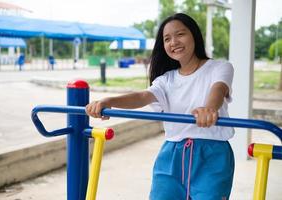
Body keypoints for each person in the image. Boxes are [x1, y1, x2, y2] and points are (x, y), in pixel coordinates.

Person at [86, 13, 235, 200]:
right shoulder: (166, 79)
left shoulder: (220, 67)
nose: (174, 42)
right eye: (167, 39)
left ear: (194, 35)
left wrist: (209, 108)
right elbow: (142, 96)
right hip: (172, 154)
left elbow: (218, 89)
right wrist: (109, 101)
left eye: (180, 34)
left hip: (212, 154)